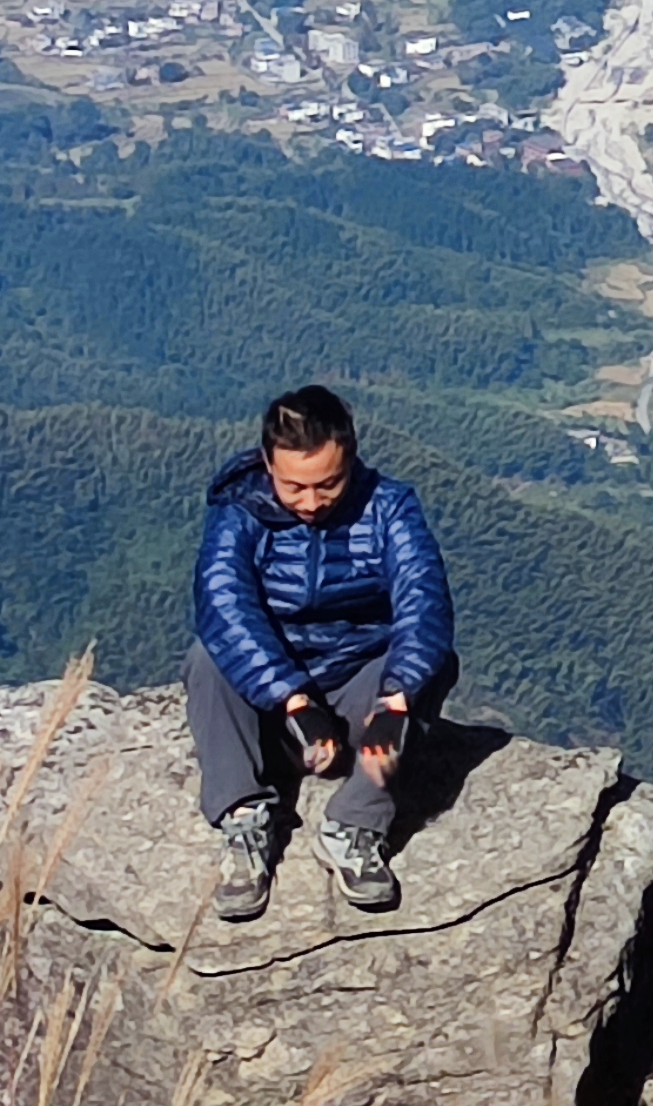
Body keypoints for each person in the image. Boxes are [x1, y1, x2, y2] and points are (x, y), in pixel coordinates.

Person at [188, 382, 455, 920]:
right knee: (207, 656)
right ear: (268, 464)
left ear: (351, 459)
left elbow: (424, 605)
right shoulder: (239, 513)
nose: (311, 502)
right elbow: (224, 605)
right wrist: (294, 700)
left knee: (430, 666)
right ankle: (245, 818)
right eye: (294, 487)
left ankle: (356, 823)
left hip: (358, 683)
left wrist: (397, 701)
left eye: (328, 484)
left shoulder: (389, 509)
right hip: (272, 704)